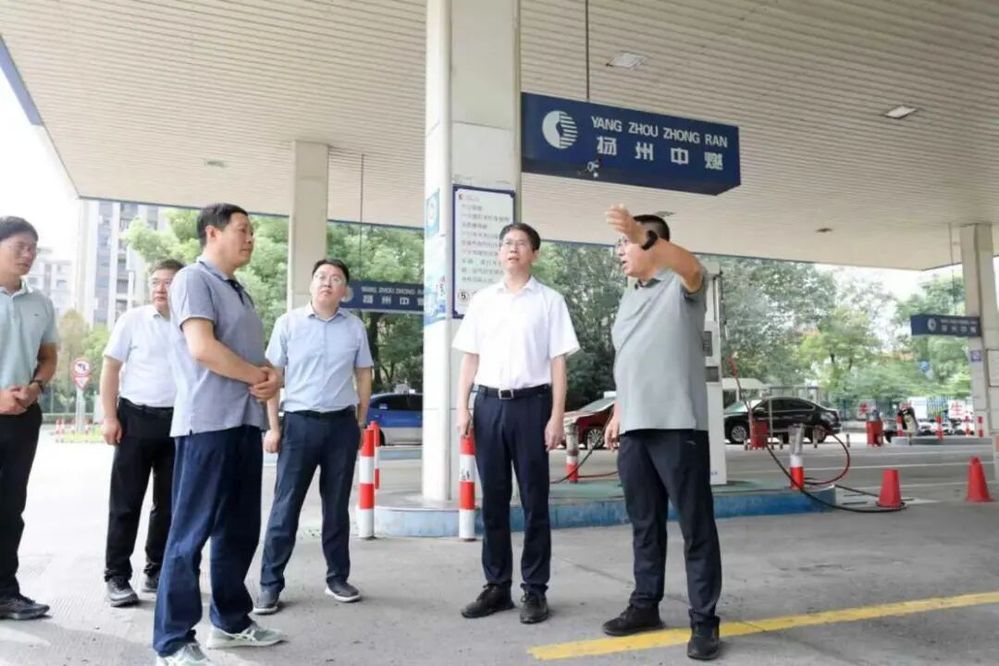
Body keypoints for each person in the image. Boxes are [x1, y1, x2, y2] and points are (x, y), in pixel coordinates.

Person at [152, 204, 284, 665]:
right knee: (189, 534)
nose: (250, 238)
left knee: (239, 531)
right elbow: (202, 348)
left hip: (244, 423)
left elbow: (253, 358)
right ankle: (172, 641)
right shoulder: (193, 279)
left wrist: (270, 377)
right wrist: (257, 376)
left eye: (251, 231)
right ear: (213, 233)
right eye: (242, 230)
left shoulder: (238, 291)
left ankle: (230, 622)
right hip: (207, 425)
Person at [601, 206, 722, 661]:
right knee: (644, 524)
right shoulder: (629, 296)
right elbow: (630, 359)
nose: (621, 252)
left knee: (695, 526)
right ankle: (645, 605)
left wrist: (640, 232)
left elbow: (691, 266)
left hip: (677, 426)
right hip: (635, 428)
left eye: (627, 244)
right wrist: (618, 411)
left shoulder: (682, 288)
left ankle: (704, 620)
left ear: (652, 243)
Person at [453, 222, 579, 624]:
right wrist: (462, 407)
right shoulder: (483, 301)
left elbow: (558, 363)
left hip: (532, 406)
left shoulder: (550, 301)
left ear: (534, 254)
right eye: (507, 243)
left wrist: (556, 415)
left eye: (521, 244)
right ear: (498, 252)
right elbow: (470, 357)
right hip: (488, 406)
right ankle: (496, 587)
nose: (513, 249)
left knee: (534, 501)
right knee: (493, 500)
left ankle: (535, 589)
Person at [253, 258, 373, 614]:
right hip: (299, 425)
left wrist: (361, 422)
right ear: (311, 283)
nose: (327, 282)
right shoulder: (288, 323)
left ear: (344, 290)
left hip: (341, 426)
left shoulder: (355, 328)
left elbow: (363, 375)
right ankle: (270, 584)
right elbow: (272, 377)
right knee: (285, 506)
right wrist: (273, 427)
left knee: (336, 508)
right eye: (321, 276)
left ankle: (337, 578)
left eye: (335, 279)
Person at [100, 259, 184, 607]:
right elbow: (110, 368)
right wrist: (109, 417)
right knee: (125, 503)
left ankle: (157, 570)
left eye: (169, 282)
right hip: (135, 419)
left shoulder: (192, 324)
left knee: (169, 505)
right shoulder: (132, 320)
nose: (160, 288)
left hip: (179, 423)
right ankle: (116, 576)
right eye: (155, 282)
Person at [0, 217, 57, 621]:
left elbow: (48, 357)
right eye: (19, 246)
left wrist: (36, 387)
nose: (28, 254)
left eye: (33, 248)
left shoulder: (41, 303)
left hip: (22, 417)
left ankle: (5, 591)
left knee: (9, 507)